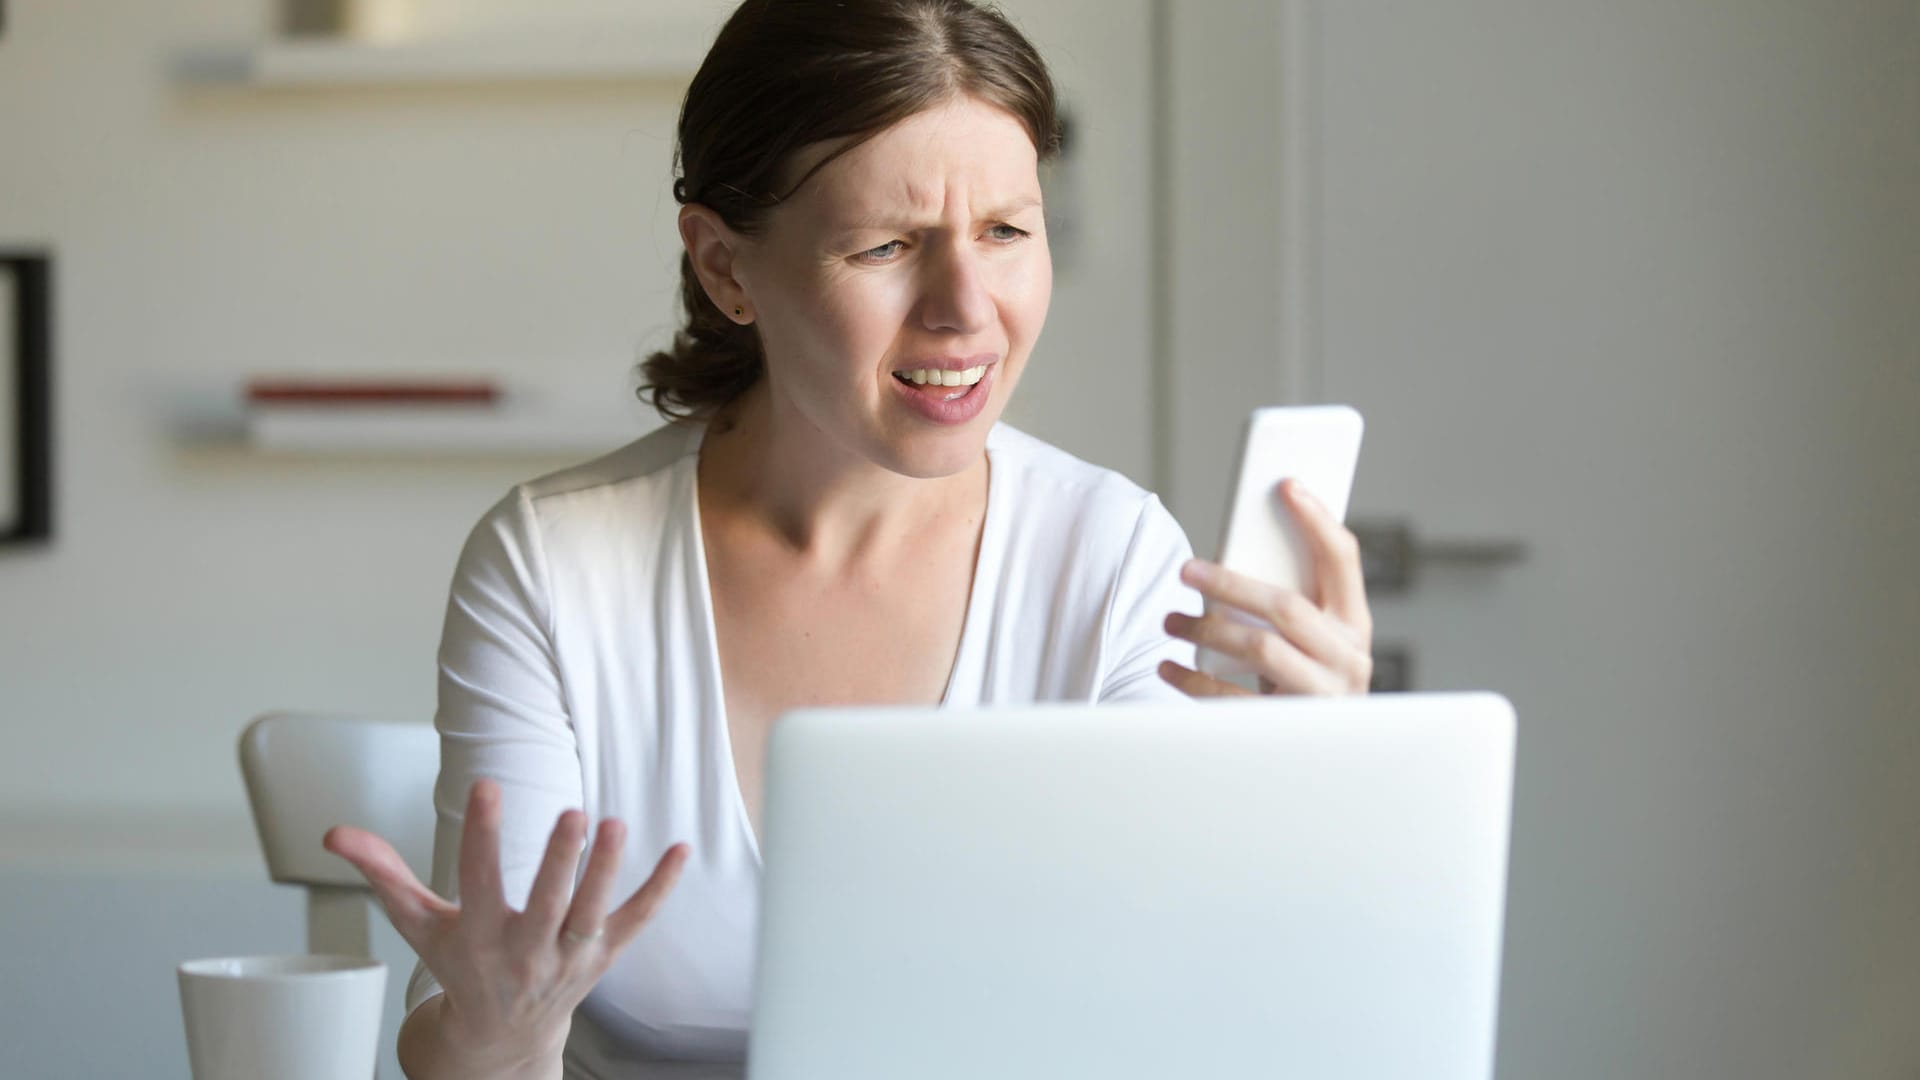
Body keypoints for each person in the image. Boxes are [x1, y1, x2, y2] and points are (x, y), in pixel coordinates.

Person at [323, 0, 1375, 1076]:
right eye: (886, 246)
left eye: (1007, 231)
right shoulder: (553, 569)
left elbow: (1172, 1016)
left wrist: (1309, 828)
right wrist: (501, 1031)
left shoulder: (1110, 564)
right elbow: (475, 1044)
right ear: (726, 268)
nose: (966, 310)